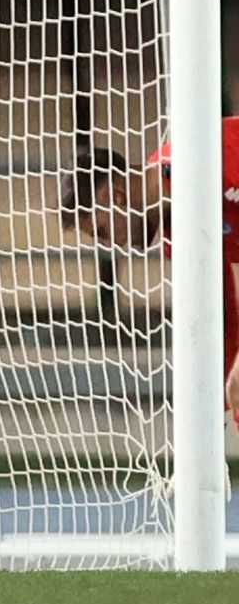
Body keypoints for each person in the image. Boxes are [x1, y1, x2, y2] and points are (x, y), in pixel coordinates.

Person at [60, 118, 239, 410]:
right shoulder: (176, 234)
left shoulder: (207, 154)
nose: (111, 245)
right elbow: (226, 318)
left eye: (102, 232)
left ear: (114, 197)